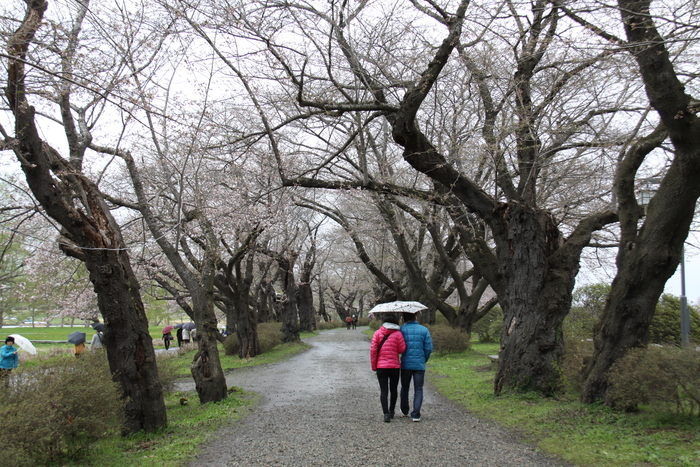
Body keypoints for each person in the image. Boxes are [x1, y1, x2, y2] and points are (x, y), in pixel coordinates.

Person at [370, 313, 406, 423]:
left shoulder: (377, 333)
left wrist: (374, 366)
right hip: (394, 366)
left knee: (384, 390)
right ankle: (391, 411)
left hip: (381, 367)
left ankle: (385, 413)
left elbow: (373, 351)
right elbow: (402, 349)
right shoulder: (398, 334)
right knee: (393, 389)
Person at [400, 312, 433, 422]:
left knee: (404, 387)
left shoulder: (402, 330)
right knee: (418, 389)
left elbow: (399, 346)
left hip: (405, 364)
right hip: (419, 364)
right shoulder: (424, 330)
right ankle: (416, 414)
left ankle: (404, 409)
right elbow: (428, 348)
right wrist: (424, 359)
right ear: (415, 317)